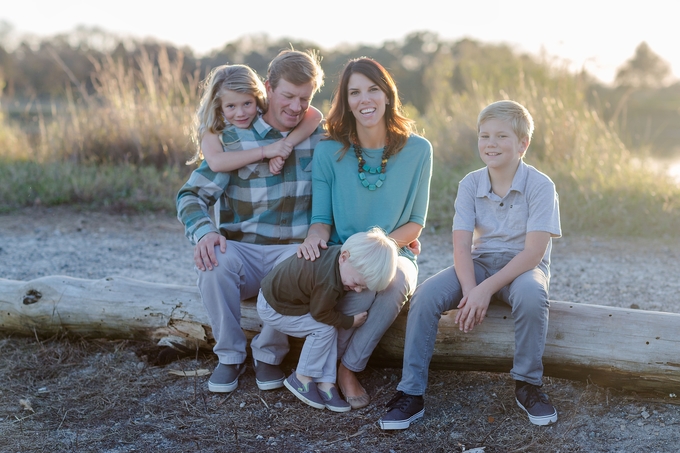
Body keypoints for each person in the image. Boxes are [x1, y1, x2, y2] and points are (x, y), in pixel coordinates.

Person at [378, 100, 562, 430]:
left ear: (523, 144)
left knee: (534, 296)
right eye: (484, 135)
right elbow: (461, 246)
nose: (491, 144)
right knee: (425, 296)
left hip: (522, 268)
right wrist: (469, 290)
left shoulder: (541, 186)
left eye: (502, 136)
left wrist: (484, 292)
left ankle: (528, 385)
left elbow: (533, 253)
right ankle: (411, 392)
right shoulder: (470, 184)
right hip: (479, 263)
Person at [176, 49, 325, 393]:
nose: (295, 106)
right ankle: (229, 355)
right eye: (287, 96)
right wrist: (204, 233)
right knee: (213, 262)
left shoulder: (319, 139)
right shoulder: (233, 137)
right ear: (268, 88)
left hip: (291, 252)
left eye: (304, 98)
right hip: (242, 251)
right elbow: (191, 196)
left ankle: (269, 354)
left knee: (307, 262)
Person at [297, 57, 432, 409]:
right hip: (346, 253)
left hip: (395, 249)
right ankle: (317, 371)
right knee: (359, 289)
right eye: (354, 92)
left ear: (387, 95)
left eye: (373, 89)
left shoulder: (419, 150)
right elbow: (321, 218)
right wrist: (314, 235)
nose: (364, 99)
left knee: (393, 281)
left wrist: (380, 249)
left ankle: (346, 368)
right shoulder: (329, 150)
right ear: (346, 100)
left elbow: (416, 222)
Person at [257, 227, 398, 412]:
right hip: (274, 306)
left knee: (329, 328)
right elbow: (320, 315)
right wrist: (349, 321)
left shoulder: (341, 261)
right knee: (324, 329)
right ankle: (302, 378)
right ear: (344, 257)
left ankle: (326, 382)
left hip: (291, 301)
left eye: (362, 288)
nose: (356, 290)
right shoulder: (328, 283)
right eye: (356, 283)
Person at [188, 64, 322, 176]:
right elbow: (216, 162)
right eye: (231, 106)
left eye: (247, 103)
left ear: (257, 98)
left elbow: (315, 115)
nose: (240, 113)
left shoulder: (262, 110)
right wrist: (266, 151)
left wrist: (283, 148)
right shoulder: (212, 126)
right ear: (219, 105)